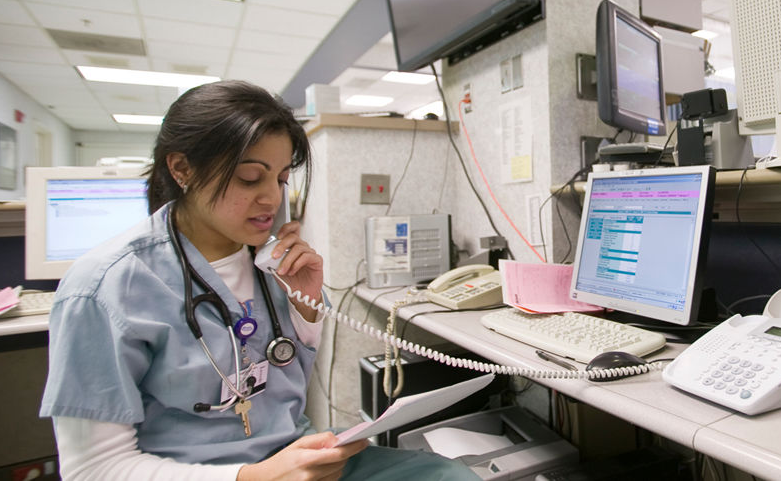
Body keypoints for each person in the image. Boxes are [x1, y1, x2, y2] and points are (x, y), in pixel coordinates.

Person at [40, 80, 475, 480]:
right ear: (182, 169)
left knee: (453, 476)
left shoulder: (269, 264)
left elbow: (274, 379)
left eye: (282, 178)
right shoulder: (103, 289)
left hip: (289, 458)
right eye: (250, 177)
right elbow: (93, 469)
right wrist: (251, 478)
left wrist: (307, 308)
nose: (271, 198)